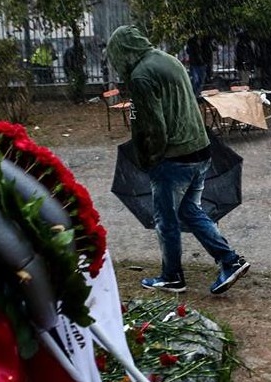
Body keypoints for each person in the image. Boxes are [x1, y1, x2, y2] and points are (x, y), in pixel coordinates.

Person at [106, 25, 250, 295]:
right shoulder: (168, 59)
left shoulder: (140, 76)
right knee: (189, 211)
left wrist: (149, 159)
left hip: (173, 158)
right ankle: (230, 261)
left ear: (123, 52)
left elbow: (152, 125)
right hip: (200, 150)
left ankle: (172, 276)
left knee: (166, 219)